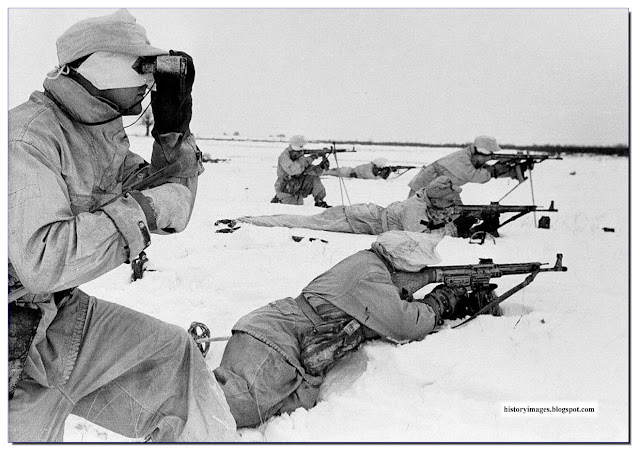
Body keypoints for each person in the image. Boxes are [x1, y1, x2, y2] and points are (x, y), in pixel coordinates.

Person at [8, 10, 236, 442]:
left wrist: (173, 134)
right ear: (103, 67)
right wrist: (142, 211)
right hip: (13, 330)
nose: (150, 84)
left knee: (175, 358)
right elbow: (42, 259)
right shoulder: (27, 139)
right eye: (141, 69)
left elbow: (172, 204)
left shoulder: (99, 134)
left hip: (53, 312)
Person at [213, 230, 469, 428]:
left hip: (281, 340)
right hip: (275, 341)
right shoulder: (371, 276)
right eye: (421, 271)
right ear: (403, 266)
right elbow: (406, 324)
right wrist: (439, 302)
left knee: (239, 406)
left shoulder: (369, 264)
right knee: (221, 408)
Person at [235, 176, 462, 236]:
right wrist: (450, 228)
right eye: (450, 199)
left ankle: (253, 219)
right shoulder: (416, 208)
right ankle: (250, 221)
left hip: (362, 215)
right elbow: (418, 235)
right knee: (303, 222)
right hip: (354, 218)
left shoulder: (424, 200)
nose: (452, 202)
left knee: (306, 221)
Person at [407, 136, 522, 236]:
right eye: (490, 154)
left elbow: (483, 170)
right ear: (482, 152)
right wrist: (496, 171)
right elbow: (476, 175)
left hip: (445, 187)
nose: (490, 157)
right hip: (426, 184)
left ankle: (458, 229)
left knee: (457, 213)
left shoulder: (470, 156)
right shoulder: (463, 159)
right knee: (416, 217)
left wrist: (509, 171)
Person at [271, 135, 331, 207]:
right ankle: (279, 198)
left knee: (314, 178)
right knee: (292, 208)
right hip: (286, 187)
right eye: (300, 146)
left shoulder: (299, 155)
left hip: (297, 184)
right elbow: (293, 170)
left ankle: (319, 201)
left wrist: (321, 167)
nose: (302, 148)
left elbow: (307, 170)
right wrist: (312, 157)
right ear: (294, 145)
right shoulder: (284, 157)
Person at [323, 158, 390, 179]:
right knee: (327, 172)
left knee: (329, 171)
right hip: (345, 172)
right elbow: (373, 178)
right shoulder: (368, 169)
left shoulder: (369, 166)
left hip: (347, 170)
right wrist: (384, 173)